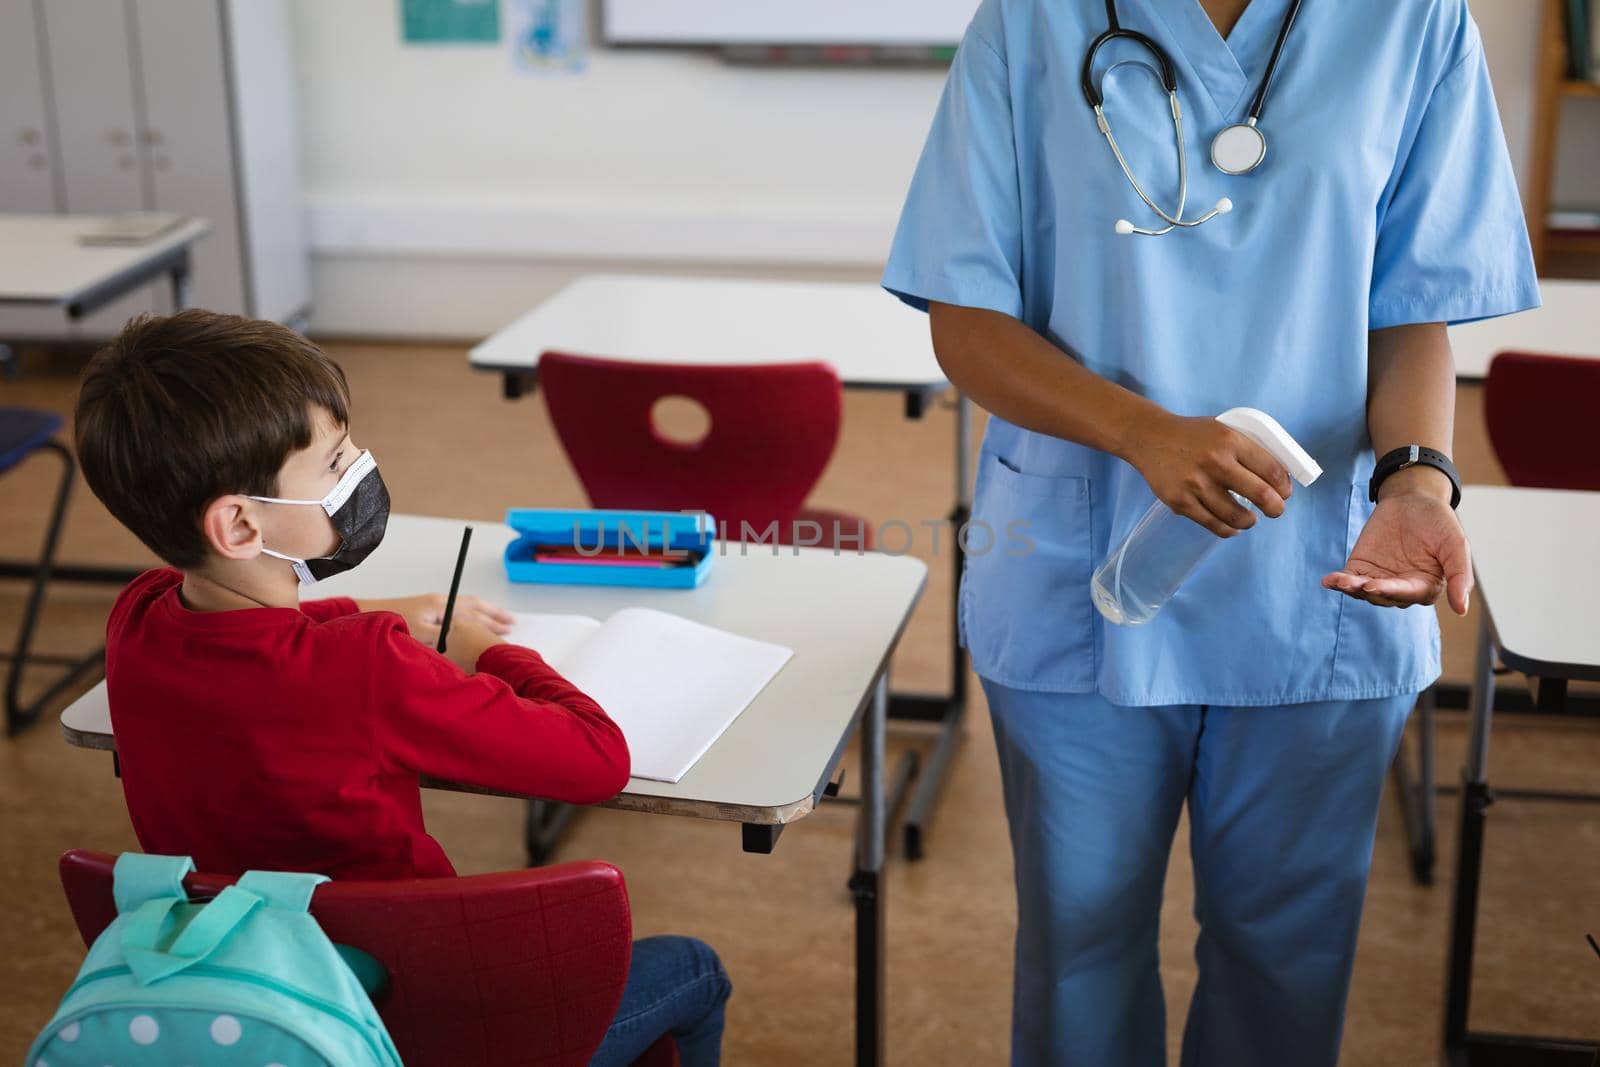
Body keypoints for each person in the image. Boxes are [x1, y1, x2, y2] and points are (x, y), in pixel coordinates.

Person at [883, 0, 1539, 1064]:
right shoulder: (1033, 20)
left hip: (1320, 571)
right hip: (1080, 555)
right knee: (1078, 944)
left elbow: (1413, 303)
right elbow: (966, 318)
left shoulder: (1410, 20)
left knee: (1287, 956)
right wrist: (1143, 432)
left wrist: (1418, 481)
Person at [73, 309, 731, 1065]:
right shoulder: (370, 667)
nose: (359, 467)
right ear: (241, 525)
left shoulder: (139, 614)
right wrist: (487, 650)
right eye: (334, 461)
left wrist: (379, 609)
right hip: (412, 1013)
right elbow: (597, 757)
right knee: (694, 968)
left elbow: (255, 644)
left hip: (251, 981)